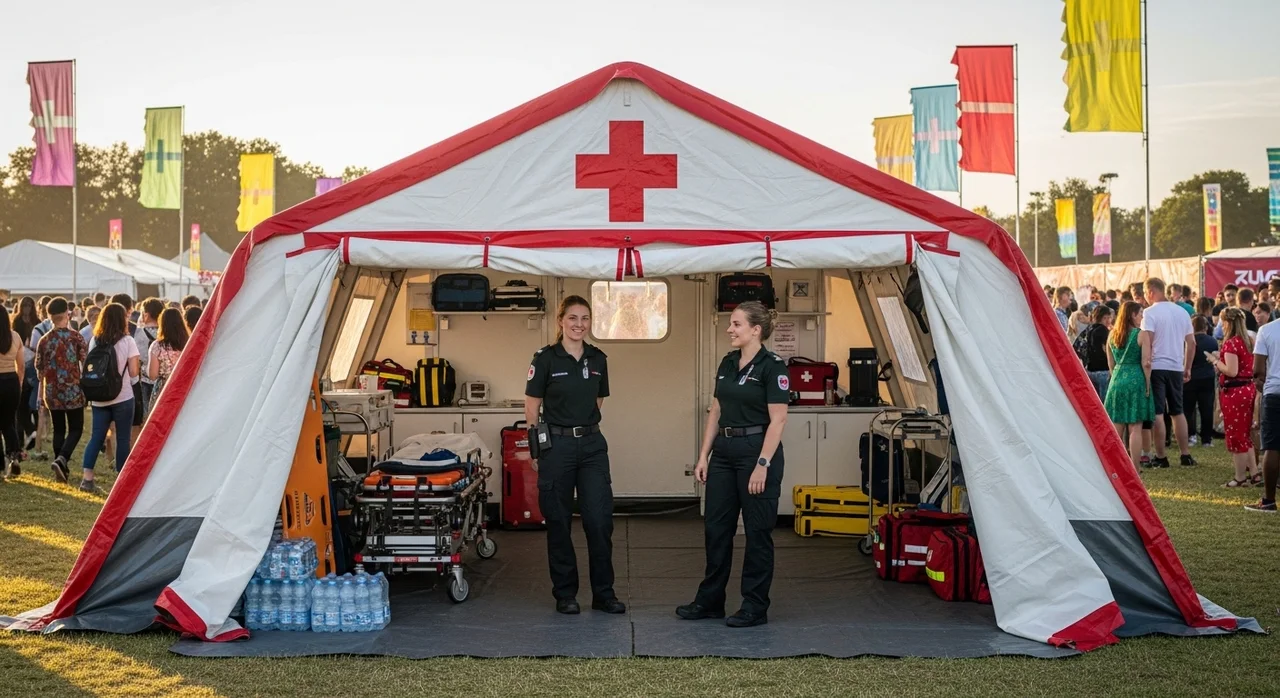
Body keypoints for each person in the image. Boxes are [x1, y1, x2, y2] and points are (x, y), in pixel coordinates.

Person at [678, 301, 788, 628]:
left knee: (757, 533)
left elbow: (778, 421)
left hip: (756, 451)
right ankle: (710, 600)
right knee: (716, 530)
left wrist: (762, 464)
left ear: (756, 330)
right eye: (731, 323)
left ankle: (754, 606)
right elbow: (715, 410)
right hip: (724, 453)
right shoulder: (728, 362)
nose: (730, 329)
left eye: (737, 324)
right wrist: (703, 456)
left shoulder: (773, 366)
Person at [522, 296, 623, 615]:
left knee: (598, 520)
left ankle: (604, 594)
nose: (579, 324)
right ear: (561, 321)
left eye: (585, 318)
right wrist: (537, 447)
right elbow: (531, 406)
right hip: (557, 446)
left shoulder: (598, 358)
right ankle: (565, 593)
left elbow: (599, 400)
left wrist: (583, 425)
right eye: (573, 318)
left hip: (592, 446)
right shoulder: (545, 358)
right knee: (559, 521)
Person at [82, 303, 140, 491]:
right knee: (123, 438)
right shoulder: (128, 341)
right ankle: (120, 483)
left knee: (96, 437)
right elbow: (133, 372)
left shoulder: (94, 340)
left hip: (99, 397)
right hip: (122, 396)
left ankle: (87, 479)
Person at [1140, 278, 1196, 467]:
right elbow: (1191, 343)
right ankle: (1185, 454)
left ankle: (1161, 456)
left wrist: (1145, 365)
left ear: (1150, 292)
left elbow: (1148, 341)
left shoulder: (1149, 313)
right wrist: (1187, 366)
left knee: (1157, 413)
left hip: (1156, 366)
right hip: (1175, 366)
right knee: (1177, 412)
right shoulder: (1182, 311)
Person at [33, 297, 87, 483]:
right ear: (67, 313)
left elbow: (39, 367)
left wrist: (41, 393)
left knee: (59, 429)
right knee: (76, 428)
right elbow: (84, 361)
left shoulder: (44, 340)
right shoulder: (76, 337)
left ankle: (61, 468)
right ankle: (62, 458)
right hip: (72, 390)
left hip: (52, 391)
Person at [1207, 309, 1258, 488]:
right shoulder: (1249, 341)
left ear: (1227, 323)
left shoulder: (1231, 343)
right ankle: (1254, 473)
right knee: (1245, 433)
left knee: (1236, 434)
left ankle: (1239, 477)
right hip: (1248, 388)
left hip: (1235, 392)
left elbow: (1231, 371)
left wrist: (1215, 360)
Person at [1105, 301, 1154, 470]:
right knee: (1135, 427)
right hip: (1136, 379)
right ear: (1132, 315)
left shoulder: (1111, 335)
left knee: (1117, 425)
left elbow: (1110, 364)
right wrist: (1148, 384)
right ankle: (1135, 467)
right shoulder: (1142, 335)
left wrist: (1116, 377)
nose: (1142, 317)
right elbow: (1146, 363)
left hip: (1117, 379)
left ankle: (1114, 465)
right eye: (1140, 313)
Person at [1185, 315, 1219, 449]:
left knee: (1188, 409)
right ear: (1205, 327)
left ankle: (1190, 435)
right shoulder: (1212, 341)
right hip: (1207, 377)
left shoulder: (1187, 340)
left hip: (1190, 377)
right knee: (1207, 408)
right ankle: (1206, 438)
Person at [146, 307, 188, 413]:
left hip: (164, 389)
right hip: (185, 388)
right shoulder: (189, 344)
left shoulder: (157, 346)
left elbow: (153, 375)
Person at [0, 306, 24, 478]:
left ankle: (0, 468)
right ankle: (14, 457)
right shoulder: (15, 336)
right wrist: (19, 384)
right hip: (12, 382)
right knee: (9, 422)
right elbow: (21, 366)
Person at [135, 298, 164, 418]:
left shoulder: (138, 334)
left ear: (145, 314)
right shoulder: (166, 333)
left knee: (146, 415)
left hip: (144, 380)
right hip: (162, 380)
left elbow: (137, 358)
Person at [1081, 304, 1115, 400]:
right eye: (1105, 318)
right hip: (1103, 371)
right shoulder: (1103, 330)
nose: (1108, 321)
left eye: (1109, 318)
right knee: (1105, 404)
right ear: (1099, 318)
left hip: (1090, 371)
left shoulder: (1089, 329)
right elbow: (1107, 350)